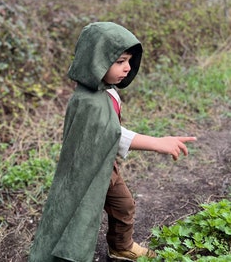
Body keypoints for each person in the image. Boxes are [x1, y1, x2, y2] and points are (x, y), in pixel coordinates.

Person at [29, 22, 196, 262]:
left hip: (104, 164)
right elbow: (112, 133)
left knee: (123, 205)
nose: (127, 68)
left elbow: (110, 132)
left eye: (129, 60)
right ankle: (64, 254)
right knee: (82, 212)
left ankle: (120, 246)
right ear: (96, 60)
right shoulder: (88, 101)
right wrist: (158, 143)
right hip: (89, 168)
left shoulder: (104, 90)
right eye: (119, 62)